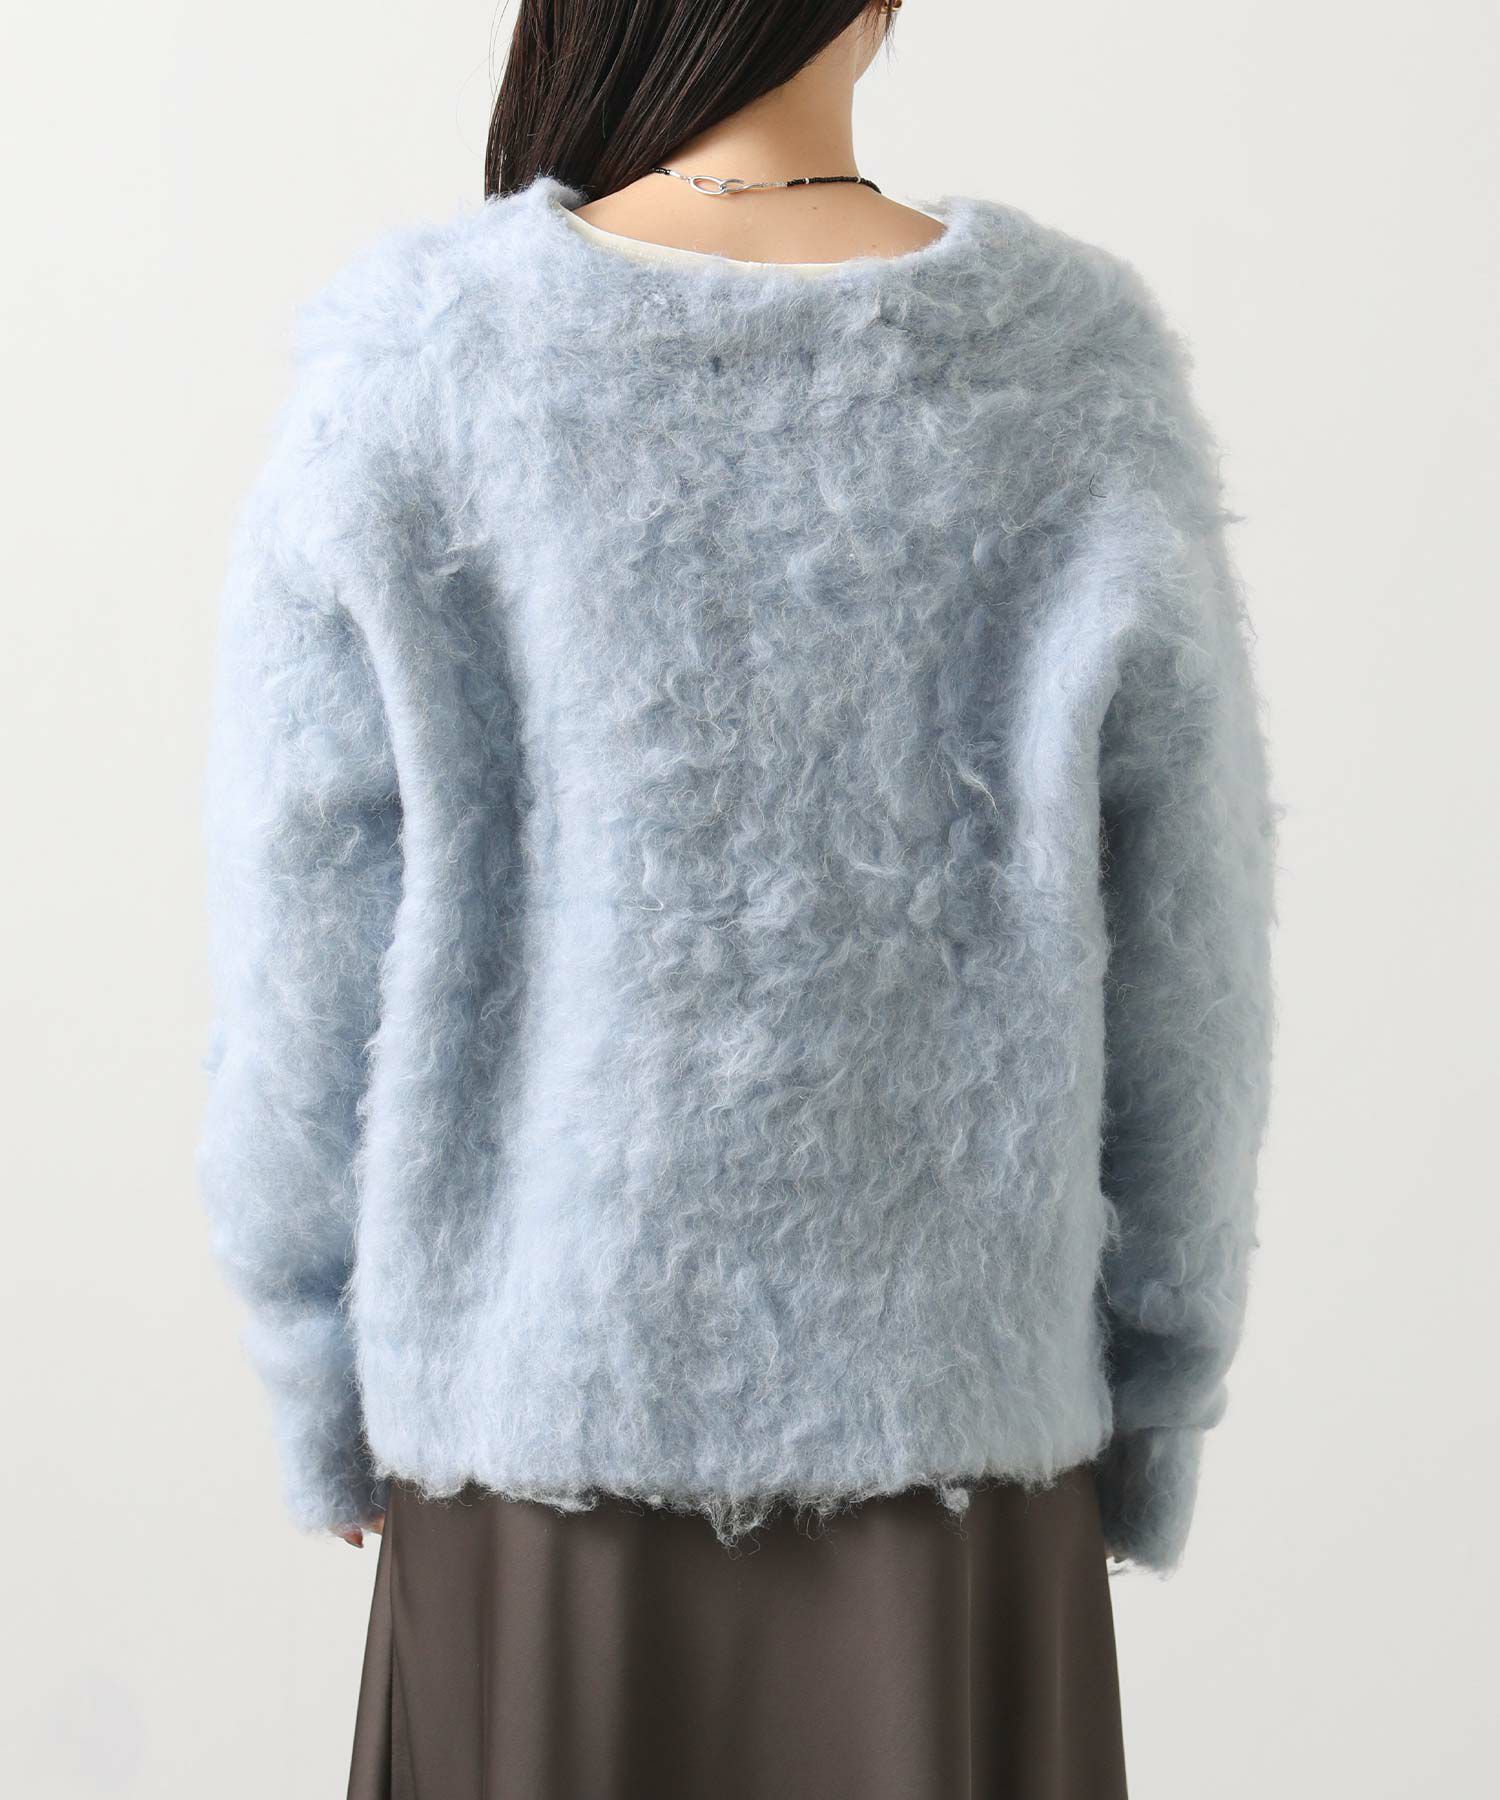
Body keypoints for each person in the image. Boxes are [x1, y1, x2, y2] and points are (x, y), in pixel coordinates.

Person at [198, 3, 1277, 1795]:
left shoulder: (420, 361)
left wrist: (320, 1371)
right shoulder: (1068, 370)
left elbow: (301, 923)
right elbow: (1188, 953)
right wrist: (1156, 1391)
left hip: (526, 1444)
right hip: (962, 1463)